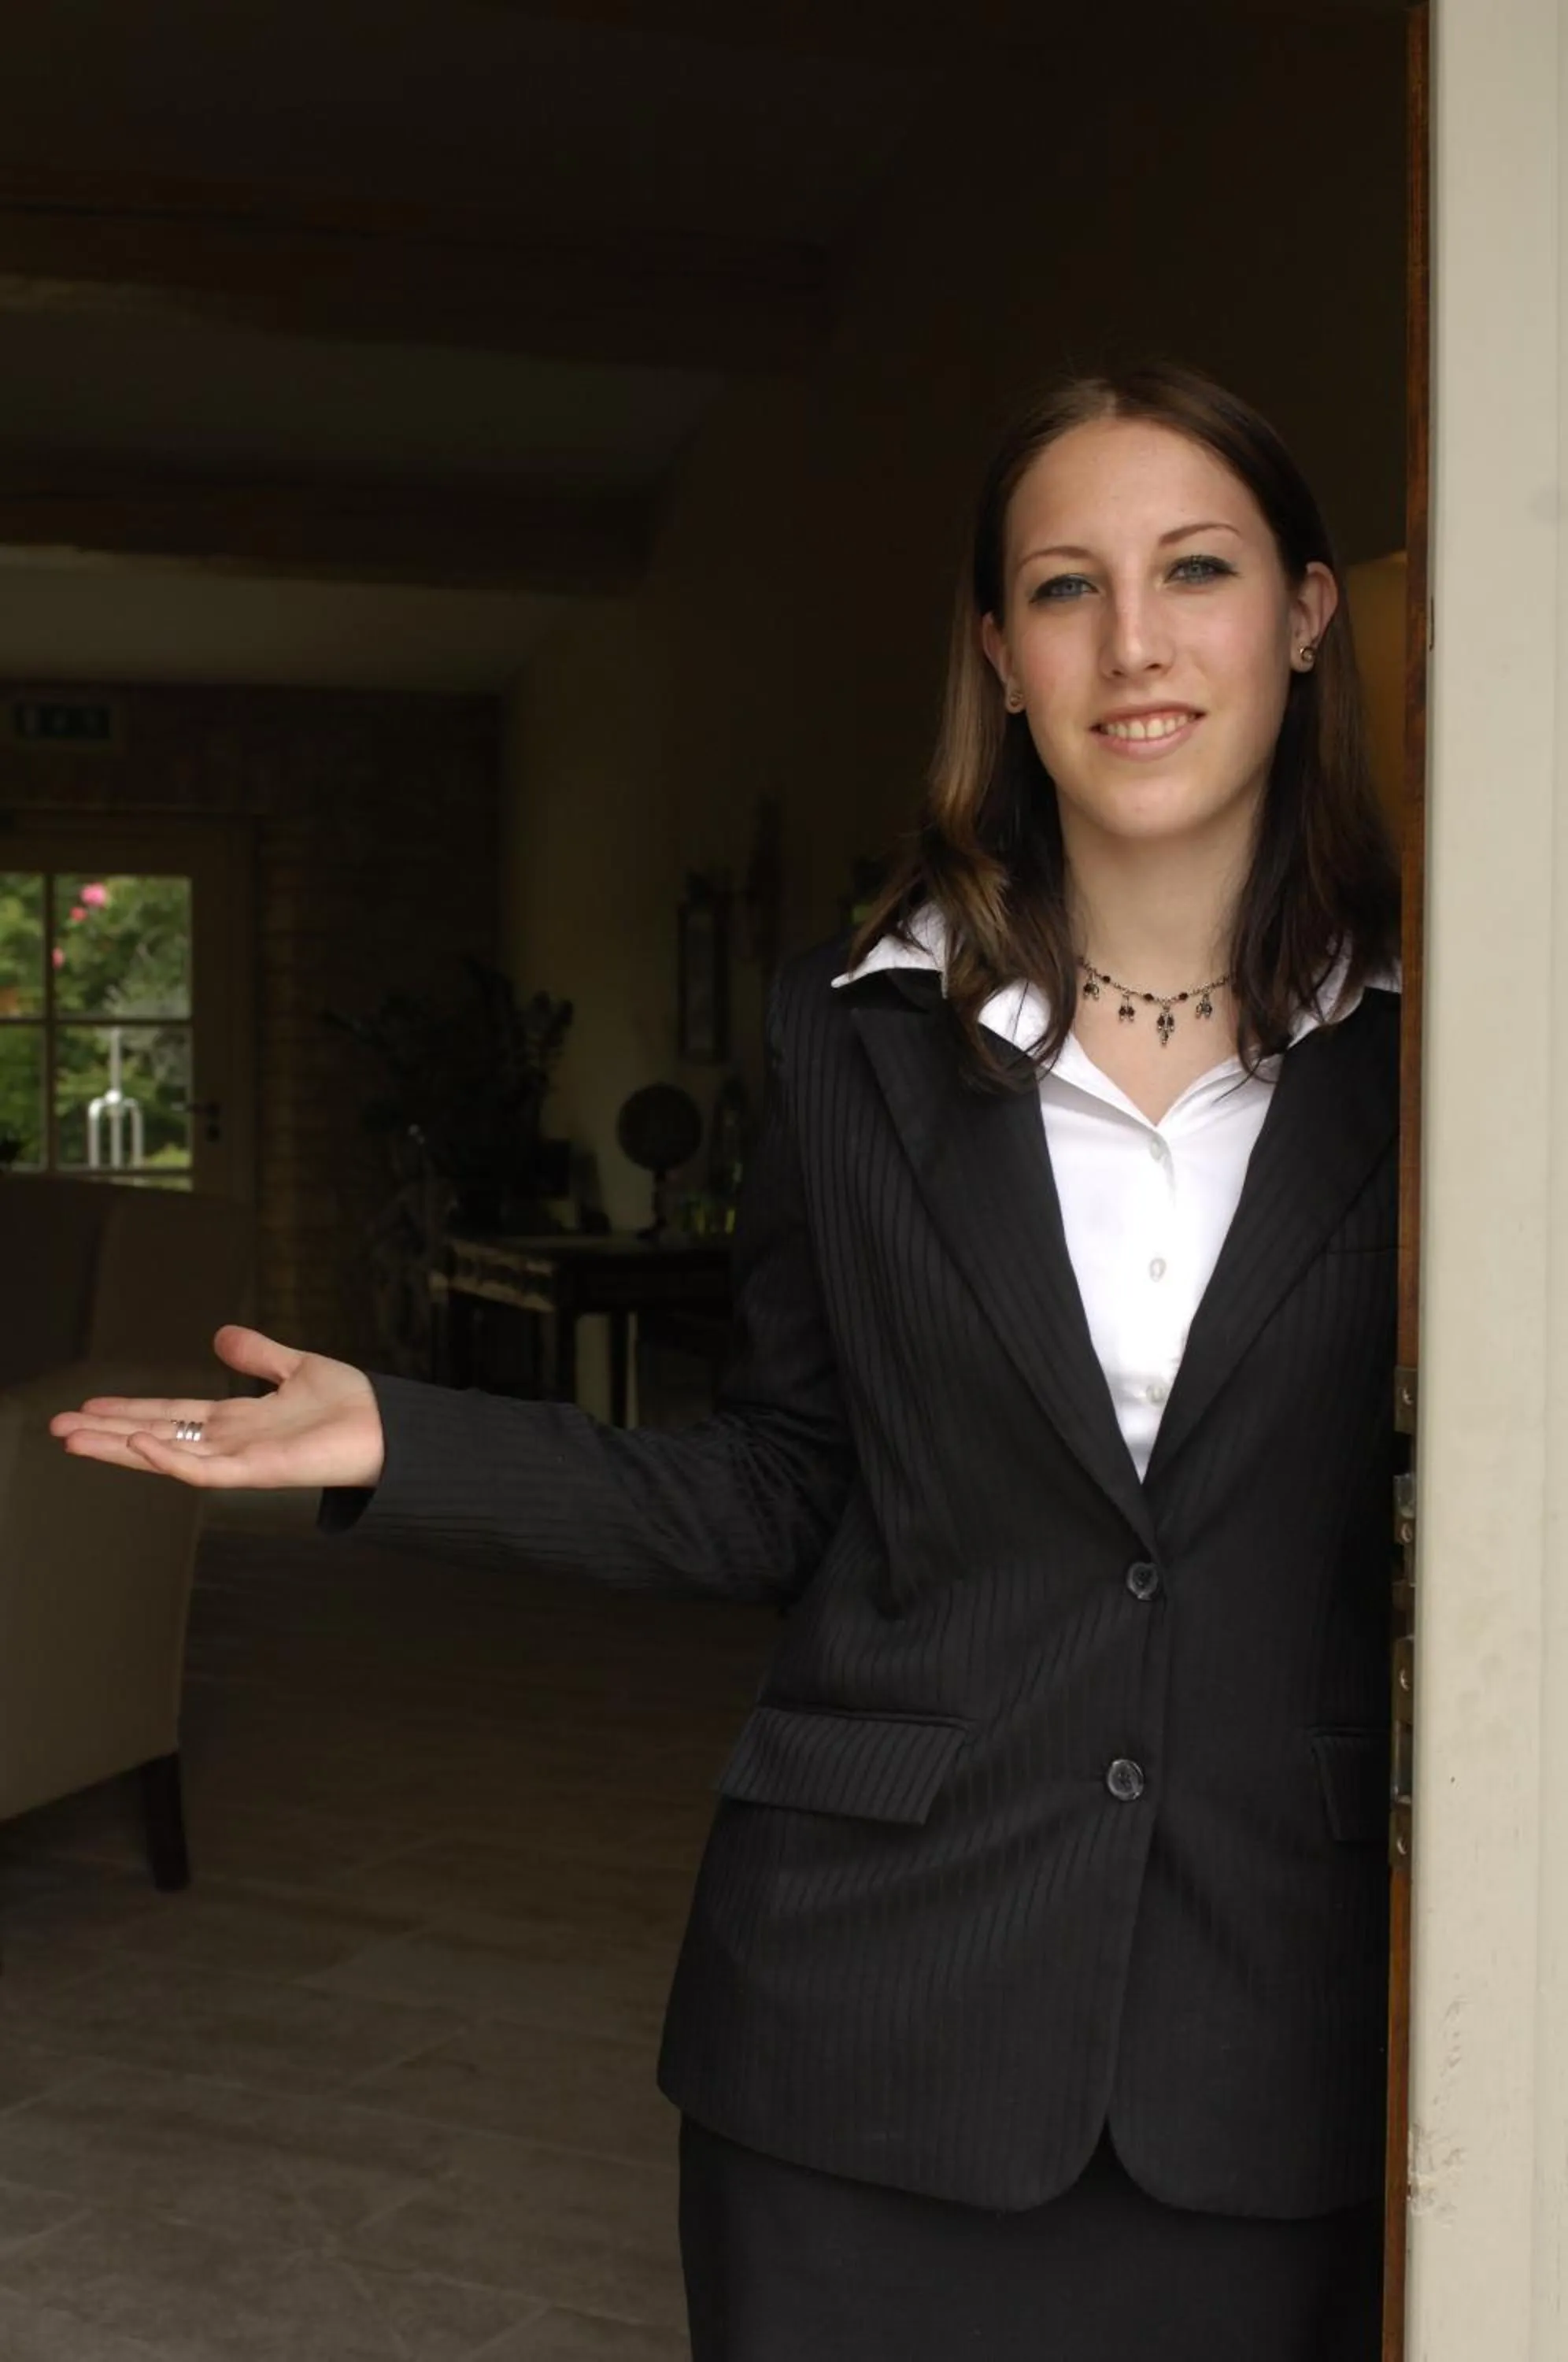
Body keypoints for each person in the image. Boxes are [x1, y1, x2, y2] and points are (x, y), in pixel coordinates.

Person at [53, 362, 1401, 2362]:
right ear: (997, 655)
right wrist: (394, 1443)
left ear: (1301, 613)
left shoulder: (1453, 1054)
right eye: (1063, 588)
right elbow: (777, 1480)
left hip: (1272, 2042)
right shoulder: (847, 1039)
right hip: (861, 2035)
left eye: (1194, 571)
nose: (1134, 643)